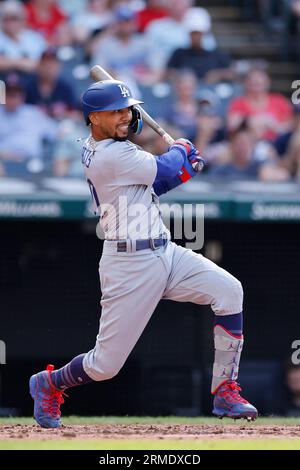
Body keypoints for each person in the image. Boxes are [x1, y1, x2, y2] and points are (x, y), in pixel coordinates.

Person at [29, 79, 258, 428]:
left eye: (127, 109)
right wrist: (182, 149)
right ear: (93, 119)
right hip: (129, 264)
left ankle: (225, 391)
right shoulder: (111, 154)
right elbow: (165, 169)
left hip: (165, 251)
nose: (125, 117)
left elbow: (160, 181)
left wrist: (184, 168)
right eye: (115, 112)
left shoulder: (113, 149)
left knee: (230, 290)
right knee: (104, 367)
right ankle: (49, 382)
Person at [0, 74, 57, 177]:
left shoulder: (33, 113)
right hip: (4, 163)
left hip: (33, 163)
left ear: (22, 97)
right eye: (10, 95)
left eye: (17, 95)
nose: (13, 99)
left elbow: (56, 133)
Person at [167, 7, 232, 83]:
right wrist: (182, 76)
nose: (196, 37)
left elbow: (232, 73)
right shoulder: (179, 54)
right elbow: (168, 73)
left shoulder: (217, 55)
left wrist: (219, 74)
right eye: (193, 33)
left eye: (198, 33)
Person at [227, 69, 293, 141]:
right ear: (246, 84)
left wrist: (273, 125)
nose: (256, 88)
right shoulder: (238, 103)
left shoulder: (279, 101)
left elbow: (291, 124)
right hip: (249, 143)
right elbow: (232, 125)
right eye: (252, 83)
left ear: (267, 83)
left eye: (259, 84)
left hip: (278, 142)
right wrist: (256, 120)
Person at [25, 47, 77, 120]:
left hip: (60, 126)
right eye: (45, 64)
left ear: (59, 66)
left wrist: (63, 113)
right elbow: (19, 112)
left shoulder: (66, 87)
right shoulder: (28, 86)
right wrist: (35, 112)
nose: (49, 68)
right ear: (39, 66)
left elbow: (75, 113)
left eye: (52, 65)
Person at [0, 0, 47, 75]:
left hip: (30, 80)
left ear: (22, 19)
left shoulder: (34, 38)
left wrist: (7, 62)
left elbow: (45, 62)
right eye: (6, 18)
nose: (9, 22)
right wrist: (19, 63)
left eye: (13, 18)